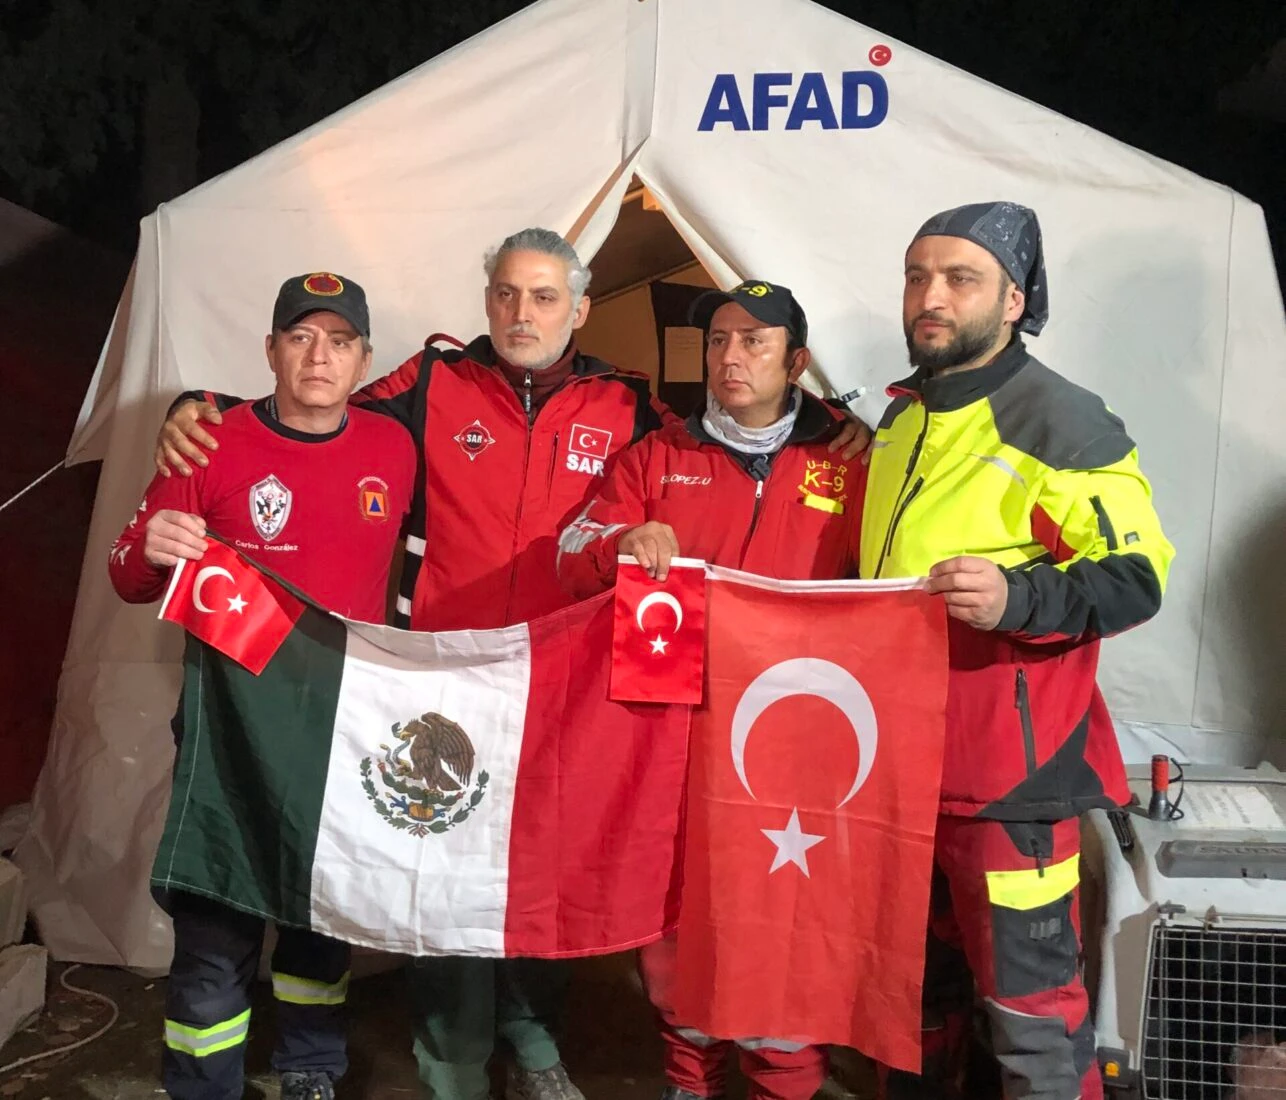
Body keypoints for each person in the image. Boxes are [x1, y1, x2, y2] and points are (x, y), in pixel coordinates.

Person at [153, 231, 873, 1100]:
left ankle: (535, 1049)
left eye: (541, 297)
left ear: (579, 308)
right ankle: (451, 1062)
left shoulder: (630, 405)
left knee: (544, 873)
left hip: (565, 686)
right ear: (487, 301)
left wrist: (844, 429)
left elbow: (724, 442)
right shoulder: (429, 383)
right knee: (440, 871)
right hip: (442, 680)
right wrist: (200, 403)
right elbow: (317, 398)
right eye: (504, 294)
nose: (520, 312)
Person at [862, 202, 1175, 1100]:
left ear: (1014, 298)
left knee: (1032, 1021)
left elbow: (1136, 577)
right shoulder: (903, 419)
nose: (930, 297)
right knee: (914, 1003)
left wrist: (1016, 598)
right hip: (900, 773)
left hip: (1009, 784)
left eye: (960, 278)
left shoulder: (1060, 420)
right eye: (918, 276)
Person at [109, 273, 417, 1100]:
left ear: (363, 359)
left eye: (339, 341)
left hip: (339, 726)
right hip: (227, 727)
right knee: (218, 916)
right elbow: (126, 576)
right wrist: (150, 550)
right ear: (271, 349)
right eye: (301, 337)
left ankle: (311, 1065)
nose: (320, 355)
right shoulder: (207, 441)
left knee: (321, 912)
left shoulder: (394, 446)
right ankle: (203, 1081)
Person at [558, 280, 861, 1100]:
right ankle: (688, 1080)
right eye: (719, 341)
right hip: (679, 734)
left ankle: (786, 1082)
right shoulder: (659, 454)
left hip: (803, 746)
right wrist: (624, 536)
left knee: (791, 920)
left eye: (754, 342)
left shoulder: (851, 456)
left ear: (796, 361)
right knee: (680, 917)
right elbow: (571, 546)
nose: (730, 357)